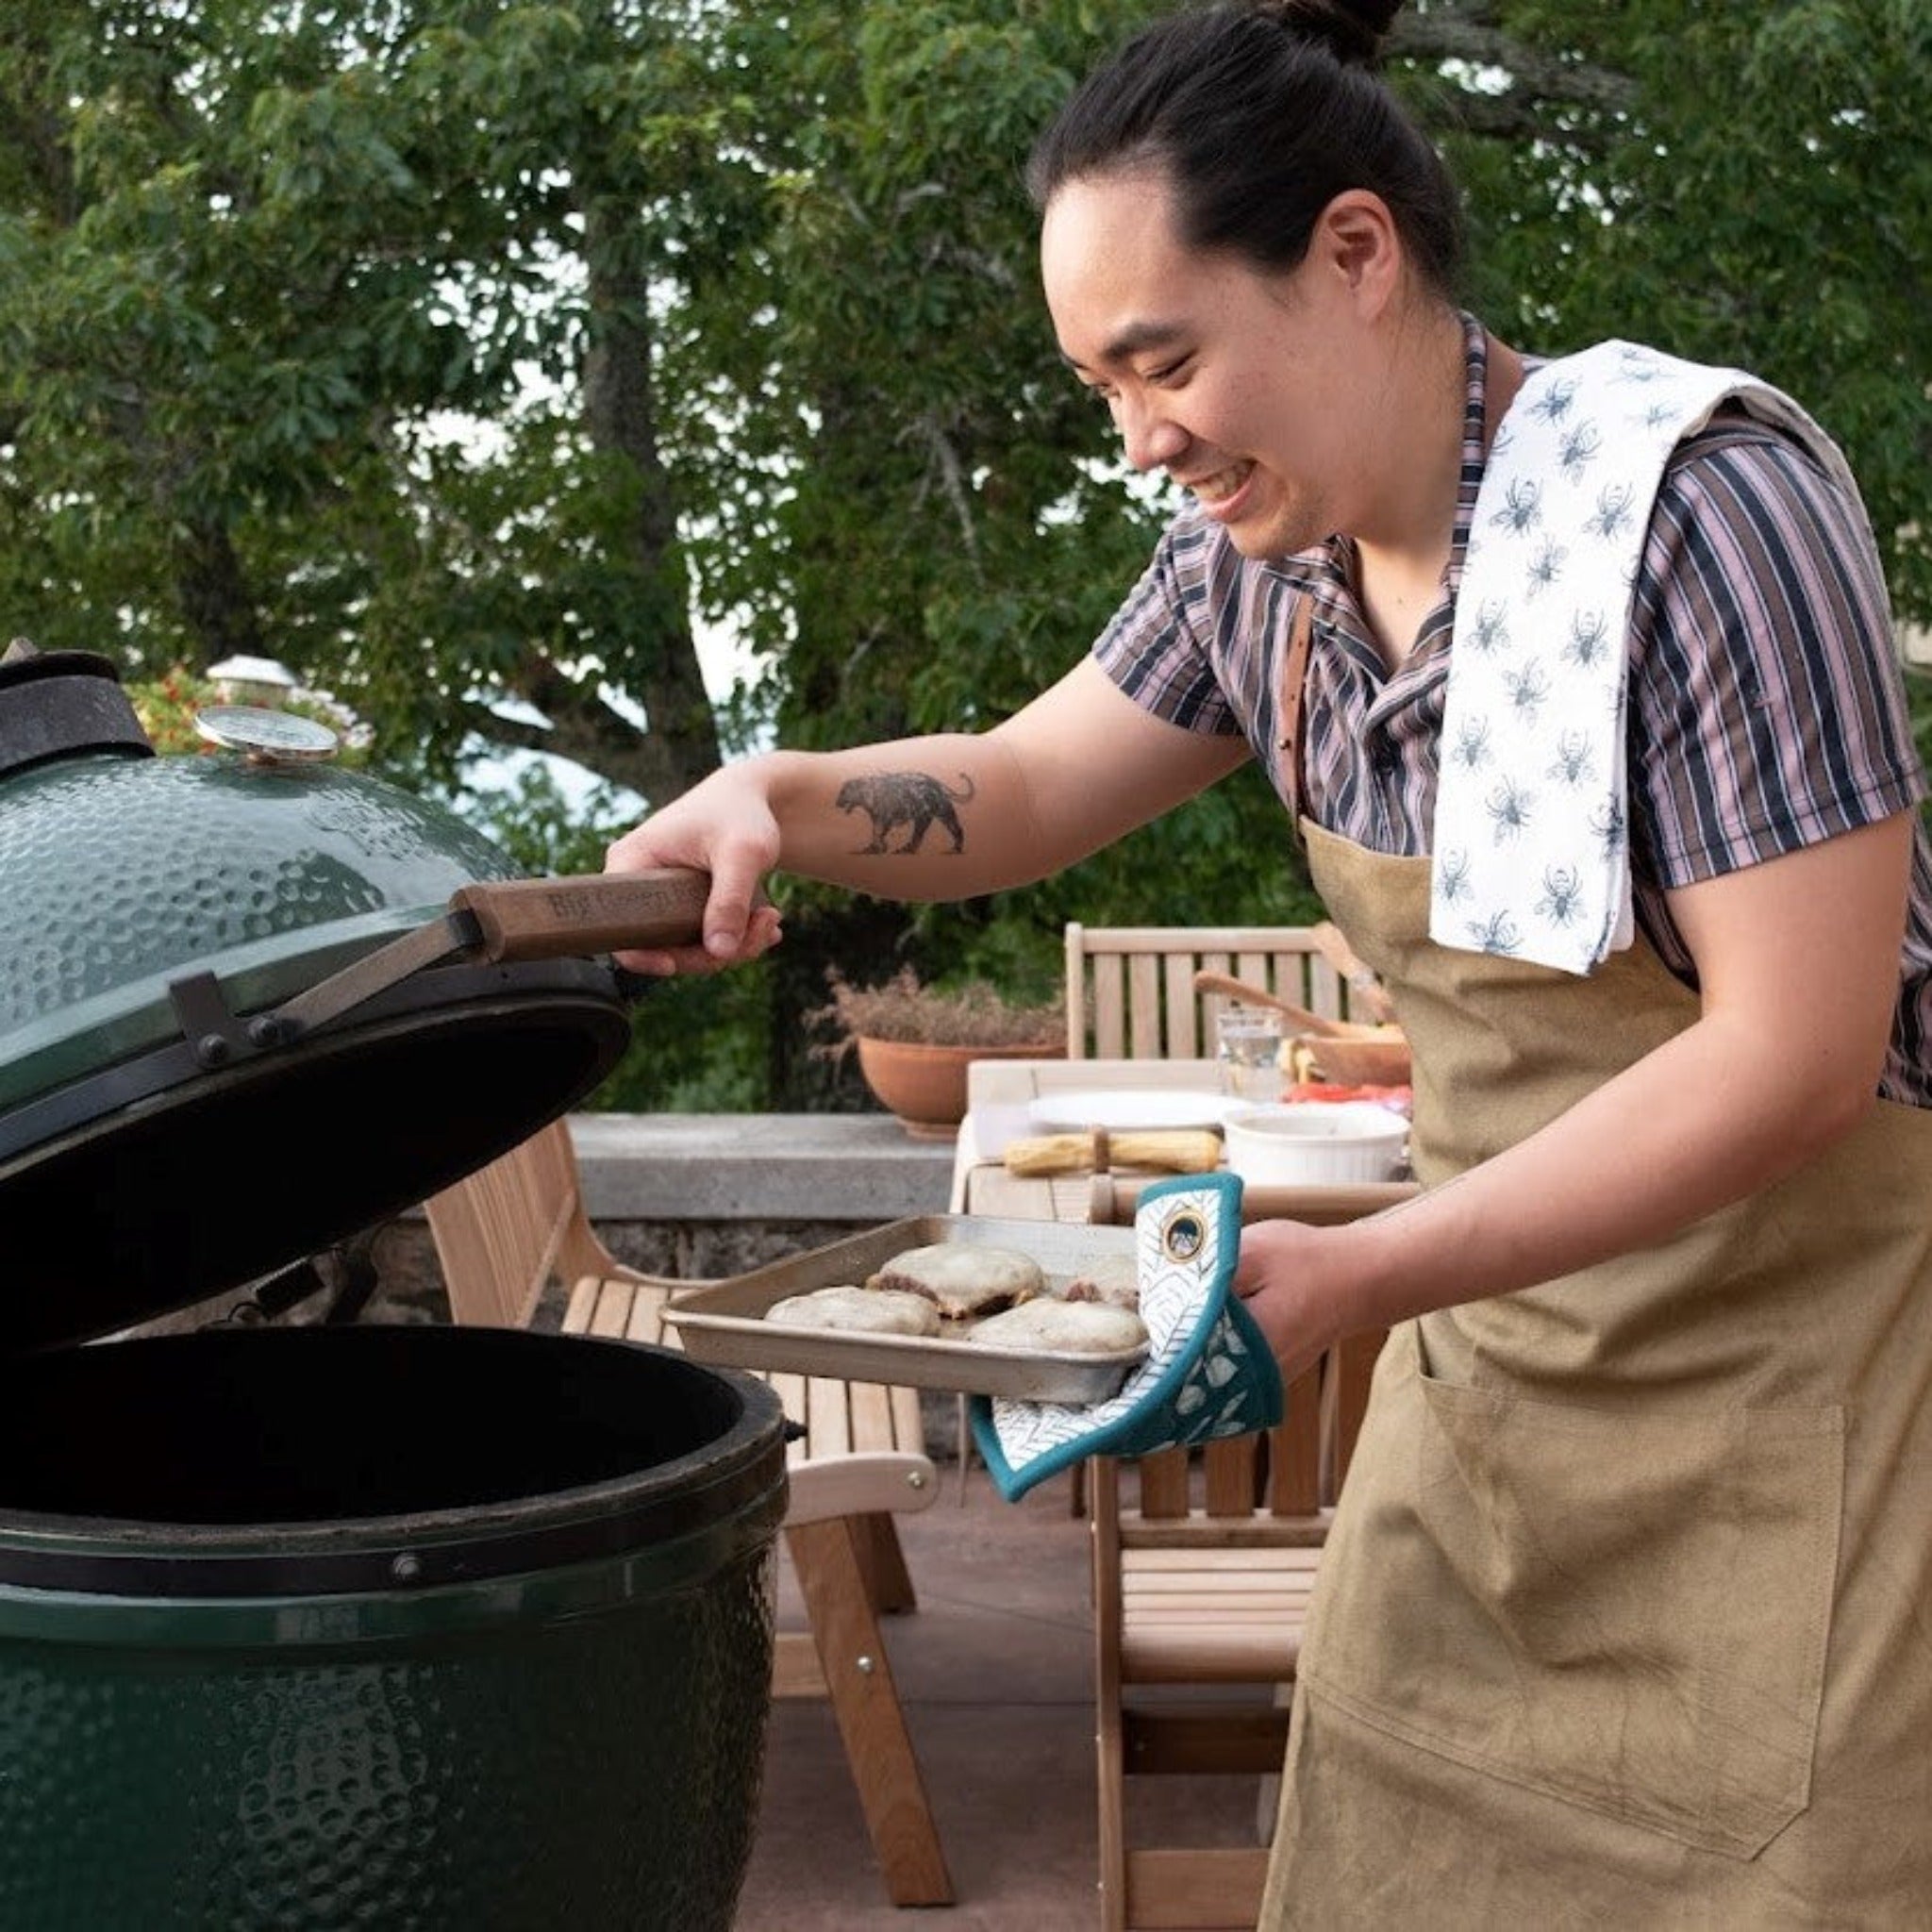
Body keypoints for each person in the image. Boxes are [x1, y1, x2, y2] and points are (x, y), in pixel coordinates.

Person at [605, 1, 1932, 1921]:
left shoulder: (1702, 517)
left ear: (1354, 255)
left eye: (1166, 361)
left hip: (1801, 1409)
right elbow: (1028, 782)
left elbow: (1792, 1056)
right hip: (1492, 1414)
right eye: (1100, 390)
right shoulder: (1264, 575)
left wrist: (1354, 1278)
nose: (1145, 440)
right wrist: (774, 797)